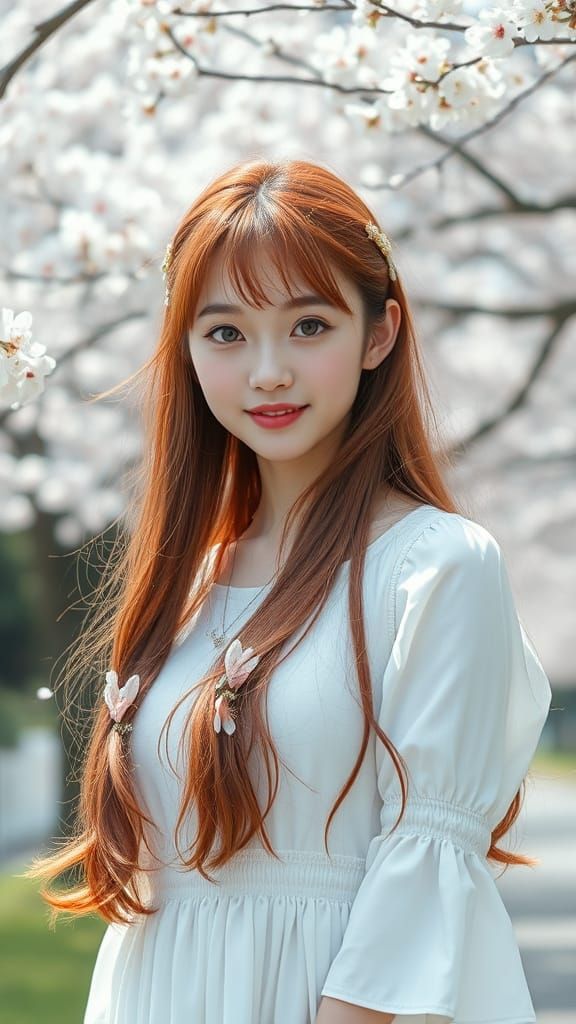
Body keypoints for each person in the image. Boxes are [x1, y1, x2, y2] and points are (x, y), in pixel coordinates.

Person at [24, 158, 552, 1024]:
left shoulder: (438, 568)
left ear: (378, 335)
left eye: (309, 325)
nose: (268, 372)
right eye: (225, 333)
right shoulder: (185, 584)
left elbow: (420, 880)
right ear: (186, 348)